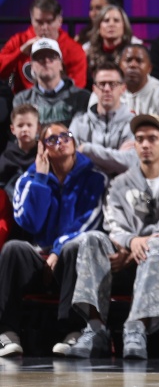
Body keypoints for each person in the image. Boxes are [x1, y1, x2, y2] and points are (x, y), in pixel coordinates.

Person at [66, 114, 159, 359]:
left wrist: (136, 246)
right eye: (140, 139)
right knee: (92, 239)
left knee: (157, 245)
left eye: (152, 139)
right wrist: (130, 243)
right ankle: (95, 328)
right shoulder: (120, 183)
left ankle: (136, 328)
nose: (145, 144)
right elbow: (113, 225)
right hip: (126, 252)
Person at [0, 122, 107, 357]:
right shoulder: (28, 179)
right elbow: (29, 223)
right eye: (52, 139)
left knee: (73, 247)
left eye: (66, 136)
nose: (61, 142)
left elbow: (91, 223)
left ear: (74, 141)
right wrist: (40, 178)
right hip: (41, 257)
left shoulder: (95, 178)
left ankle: (73, 331)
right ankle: (7, 333)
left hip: (69, 259)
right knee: (13, 249)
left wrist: (58, 250)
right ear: (42, 148)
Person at [0, 0, 88, 93]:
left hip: (62, 102)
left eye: (49, 22)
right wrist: (20, 52)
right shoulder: (19, 41)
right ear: (32, 20)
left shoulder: (73, 49)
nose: (44, 27)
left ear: (59, 21)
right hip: (24, 103)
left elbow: (77, 87)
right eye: (39, 22)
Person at [70, 63, 135, 172]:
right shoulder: (79, 123)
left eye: (112, 84)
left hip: (123, 186)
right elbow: (69, 160)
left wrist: (87, 149)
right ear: (94, 89)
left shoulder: (133, 123)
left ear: (123, 88)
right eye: (102, 84)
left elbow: (130, 162)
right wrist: (118, 156)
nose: (107, 89)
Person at [12, 39, 91, 127]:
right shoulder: (23, 100)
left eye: (51, 57)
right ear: (32, 66)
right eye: (40, 58)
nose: (46, 61)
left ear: (61, 64)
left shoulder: (82, 98)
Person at [117, 44, 159, 142]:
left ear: (149, 68)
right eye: (128, 60)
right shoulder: (106, 88)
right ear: (120, 65)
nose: (133, 65)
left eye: (139, 61)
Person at [82, 4, 142, 77]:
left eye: (116, 21)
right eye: (106, 21)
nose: (111, 24)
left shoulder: (135, 50)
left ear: (124, 26)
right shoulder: (87, 52)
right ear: (98, 27)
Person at [0, 104, 39, 188]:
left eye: (29, 125)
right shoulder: (8, 156)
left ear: (38, 128)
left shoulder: (44, 152)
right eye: (20, 125)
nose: (25, 129)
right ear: (13, 129)